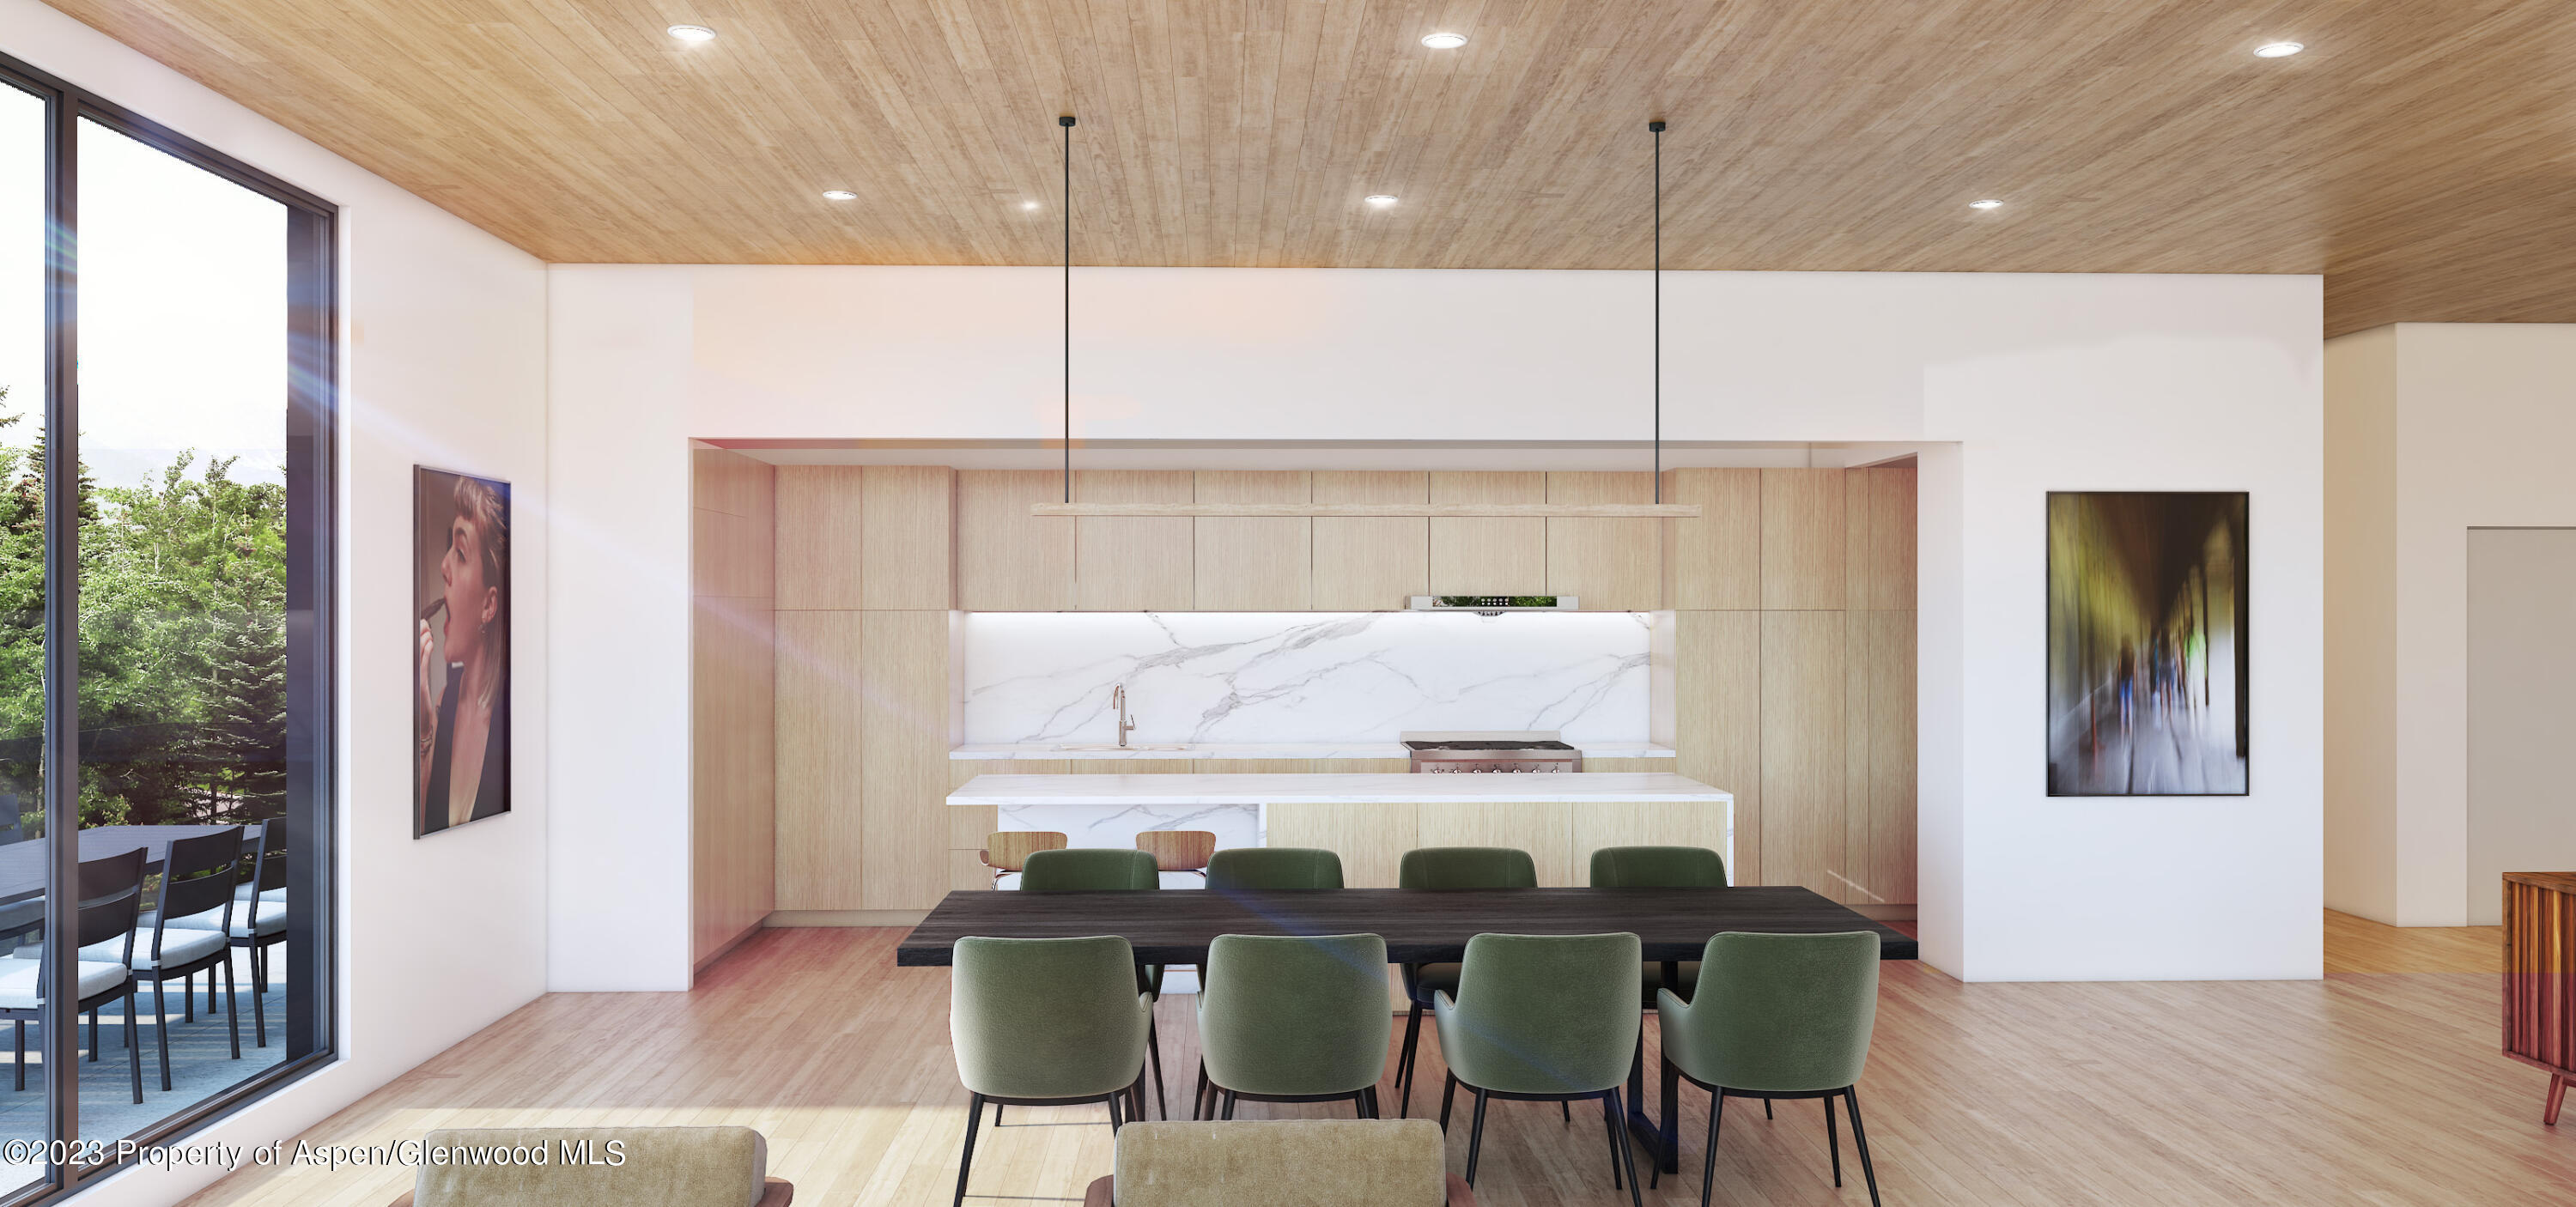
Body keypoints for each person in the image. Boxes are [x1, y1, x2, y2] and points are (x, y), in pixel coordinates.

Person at [416, 475, 510, 834]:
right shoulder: (444, 702)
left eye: (460, 552)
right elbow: (426, 827)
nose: (444, 566)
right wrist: (426, 721)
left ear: (489, 605)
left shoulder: (513, 718)